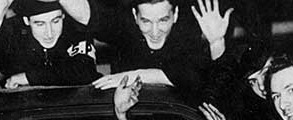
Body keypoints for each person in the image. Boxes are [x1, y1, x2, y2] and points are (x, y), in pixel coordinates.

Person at [92, 0, 226, 95]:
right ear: (135, 16)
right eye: (146, 21)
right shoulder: (125, 41)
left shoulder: (188, 43)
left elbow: (193, 77)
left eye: (163, 20)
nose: (155, 32)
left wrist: (217, 43)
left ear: (175, 15)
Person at [0, 0, 98, 88]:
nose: (49, 33)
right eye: (40, 24)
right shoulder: (13, 31)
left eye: (55, 21)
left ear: (63, 16)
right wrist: (1, 6)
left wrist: (28, 78)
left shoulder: (76, 29)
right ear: (26, 21)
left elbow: (85, 71)